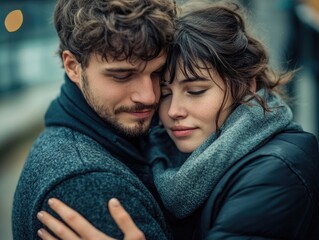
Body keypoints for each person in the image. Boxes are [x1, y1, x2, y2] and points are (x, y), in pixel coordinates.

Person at [35, 0, 319, 239]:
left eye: (195, 91)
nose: (170, 109)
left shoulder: (277, 171)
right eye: (166, 92)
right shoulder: (167, 156)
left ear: (247, 86)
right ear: (72, 66)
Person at [12, 0, 180, 239]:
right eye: (122, 75)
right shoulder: (90, 185)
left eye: (157, 73)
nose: (149, 96)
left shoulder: (87, 140)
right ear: (73, 67)